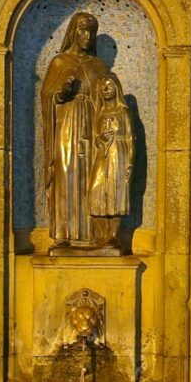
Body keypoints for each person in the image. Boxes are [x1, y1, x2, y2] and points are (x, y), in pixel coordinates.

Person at [40, 12, 107, 248]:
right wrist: (63, 92)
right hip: (68, 124)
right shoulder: (60, 62)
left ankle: (91, 234)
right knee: (66, 172)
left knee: (92, 177)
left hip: (93, 127)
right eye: (82, 30)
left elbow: (110, 98)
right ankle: (64, 234)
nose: (87, 36)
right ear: (73, 32)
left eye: (92, 32)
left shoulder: (98, 65)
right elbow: (47, 96)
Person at [88, 72, 134, 248]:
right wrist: (100, 139)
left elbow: (129, 137)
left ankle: (113, 236)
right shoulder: (99, 112)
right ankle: (102, 234)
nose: (105, 89)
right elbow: (94, 137)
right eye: (102, 86)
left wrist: (129, 162)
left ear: (117, 89)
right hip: (102, 156)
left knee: (116, 194)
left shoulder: (123, 111)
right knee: (96, 191)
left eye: (109, 85)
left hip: (118, 155)